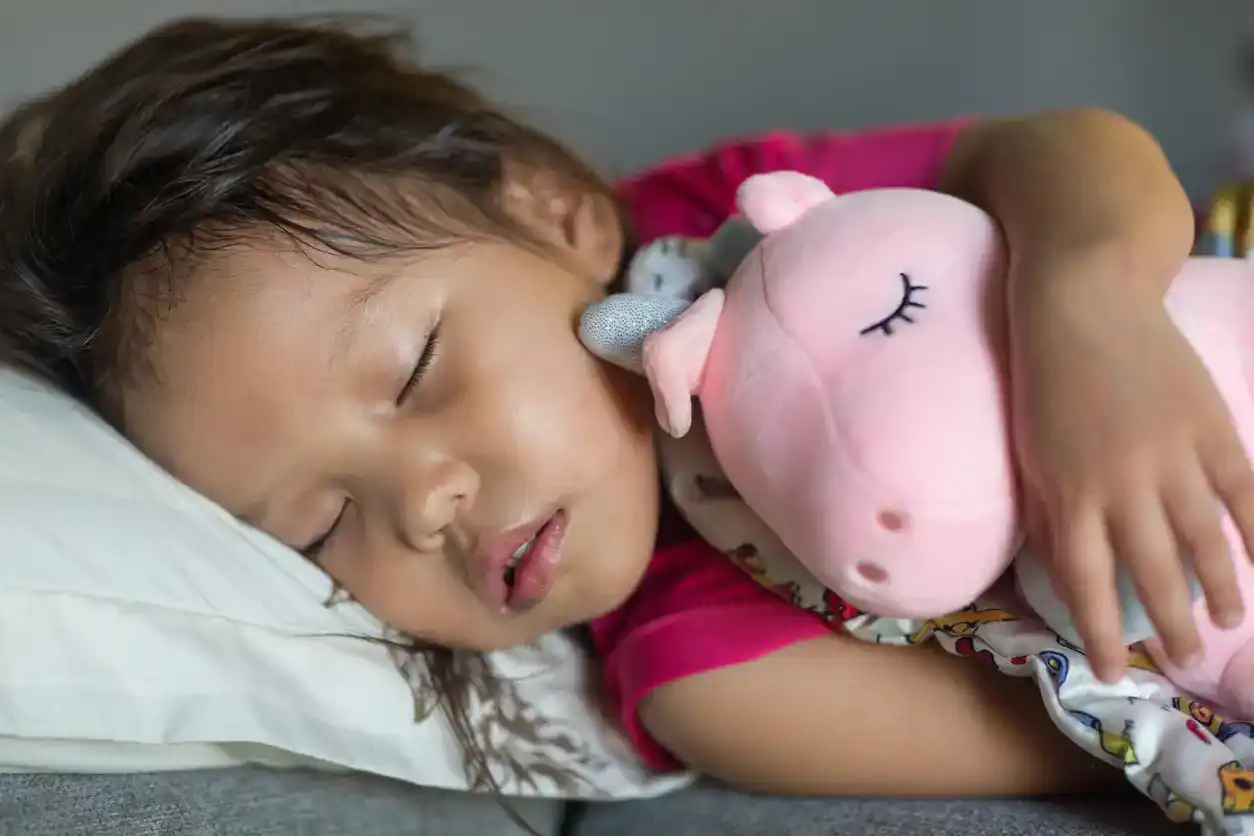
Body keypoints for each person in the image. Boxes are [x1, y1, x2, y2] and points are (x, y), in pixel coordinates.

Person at [1, 16, 1251, 798]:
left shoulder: (733, 224)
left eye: (418, 367)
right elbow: (1120, 728)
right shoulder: (702, 670)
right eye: (323, 524)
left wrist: (1091, 315)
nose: (424, 501)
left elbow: (1061, 148)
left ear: (554, 209)